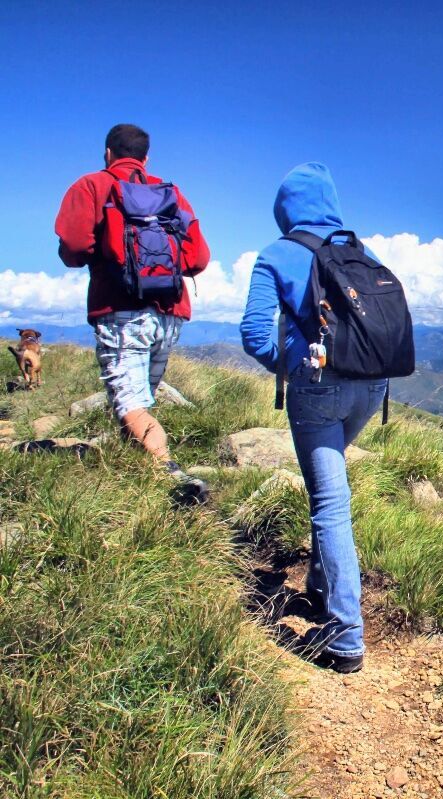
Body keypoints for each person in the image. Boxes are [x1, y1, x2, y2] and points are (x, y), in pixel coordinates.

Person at [239, 162, 387, 674]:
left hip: (319, 391)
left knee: (329, 501)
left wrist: (301, 364)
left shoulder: (276, 254)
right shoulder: (361, 252)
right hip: (374, 386)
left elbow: (256, 334)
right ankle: (321, 588)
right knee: (332, 484)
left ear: (285, 207)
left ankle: (346, 637)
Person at [55, 123, 211, 503]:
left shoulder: (92, 186)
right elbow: (199, 257)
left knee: (132, 405)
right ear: (145, 157)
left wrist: (106, 255)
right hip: (170, 314)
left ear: (108, 153)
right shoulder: (170, 193)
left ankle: (172, 477)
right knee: (139, 402)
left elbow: (73, 246)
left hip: (121, 310)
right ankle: (135, 482)